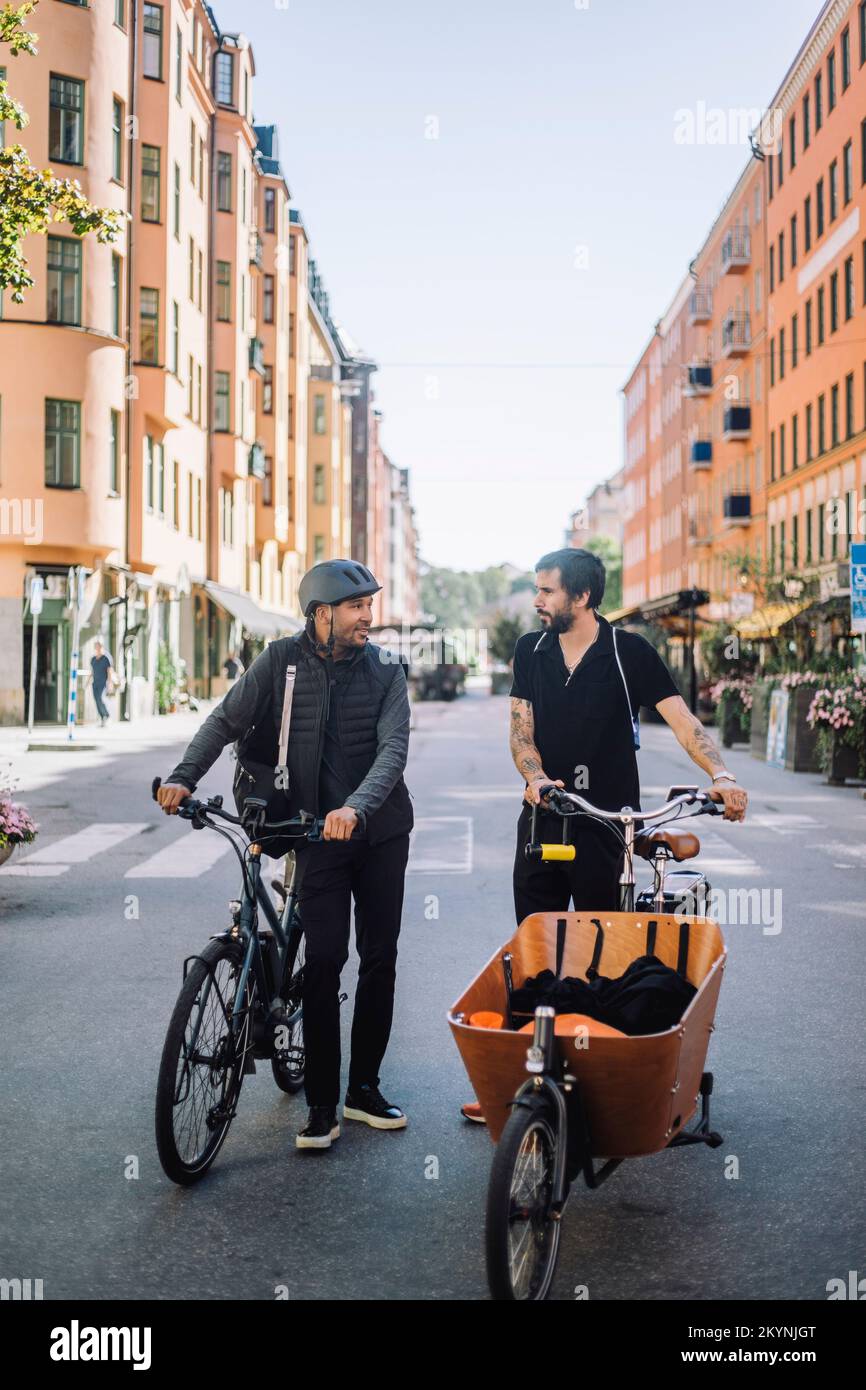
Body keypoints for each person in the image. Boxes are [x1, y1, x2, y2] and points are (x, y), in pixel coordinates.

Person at [461, 547, 748, 1122]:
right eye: (537, 590)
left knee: (601, 961)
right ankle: (524, 1087)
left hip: (607, 830)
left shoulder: (628, 653)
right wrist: (535, 776)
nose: (538, 601)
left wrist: (720, 774)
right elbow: (521, 731)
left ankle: (599, 1087)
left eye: (547, 591)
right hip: (544, 821)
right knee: (534, 953)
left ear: (583, 597)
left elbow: (683, 720)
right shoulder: (531, 650)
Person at [156, 560, 414, 1152]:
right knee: (324, 961)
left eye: (369, 605)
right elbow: (225, 720)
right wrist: (183, 776)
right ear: (321, 614)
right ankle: (323, 1104)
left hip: (377, 834)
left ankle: (364, 1090)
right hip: (311, 834)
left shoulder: (387, 672)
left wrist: (355, 807)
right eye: (355, 607)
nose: (367, 617)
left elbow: (392, 752)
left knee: (379, 958)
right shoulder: (279, 662)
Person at [89, 640, 116, 727]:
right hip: (95, 683)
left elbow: (109, 671)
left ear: (101, 647)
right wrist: (87, 682)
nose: (97, 648)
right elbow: (92, 672)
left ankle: (106, 715)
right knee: (96, 700)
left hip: (103, 683)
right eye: (96, 647)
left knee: (101, 699)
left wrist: (110, 683)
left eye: (98, 646)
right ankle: (102, 717)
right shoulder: (93, 659)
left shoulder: (106, 658)